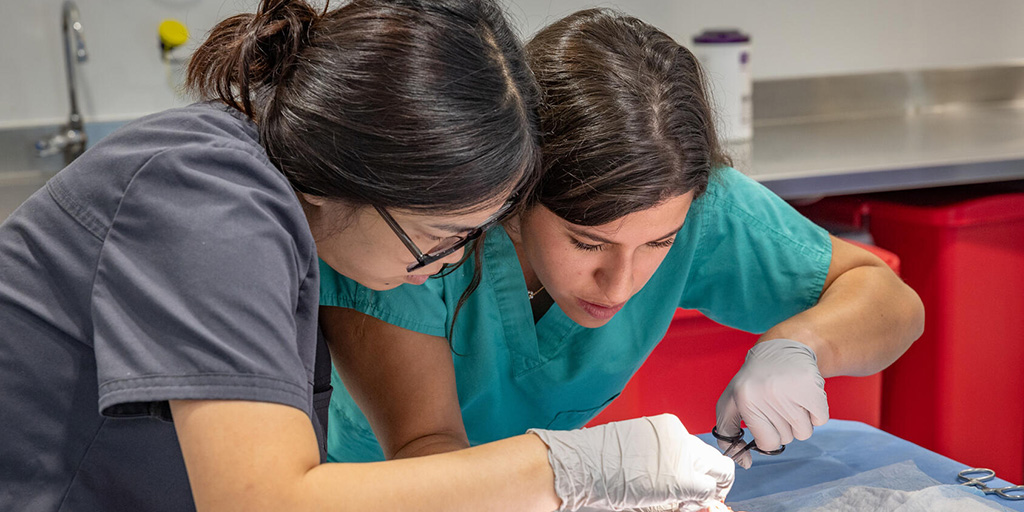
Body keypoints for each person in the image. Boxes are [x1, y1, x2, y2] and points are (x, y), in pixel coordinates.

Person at [0, 2, 734, 511]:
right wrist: (576, 467)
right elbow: (270, 501)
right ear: (362, 179)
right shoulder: (207, 201)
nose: (450, 266)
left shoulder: (284, 224)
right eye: (444, 238)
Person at [319, 6, 925, 475]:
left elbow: (888, 298)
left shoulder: (693, 203)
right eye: (586, 243)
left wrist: (800, 346)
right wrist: (604, 474)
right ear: (512, 194)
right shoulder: (423, 238)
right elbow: (429, 457)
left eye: (659, 244)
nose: (622, 283)